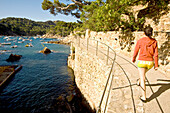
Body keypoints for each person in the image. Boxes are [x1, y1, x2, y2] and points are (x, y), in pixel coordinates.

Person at [132, 26, 158, 102]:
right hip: (150, 63)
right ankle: (138, 81)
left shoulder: (140, 41)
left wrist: (133, 58)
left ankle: (144, 96)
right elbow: (156, 54)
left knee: (143, 78)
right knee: (142, 74)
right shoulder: (155, 41)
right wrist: (156, 65)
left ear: (144, 33)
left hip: (141, 62)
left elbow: (136, 50)